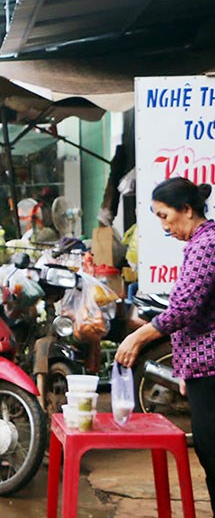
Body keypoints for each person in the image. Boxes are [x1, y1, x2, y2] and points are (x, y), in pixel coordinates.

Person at [116, 177, 215, 513]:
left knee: (213, 454)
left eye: (164, 216)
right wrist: (186, 368)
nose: (164, 226)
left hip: (212, 370)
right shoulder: (200, 243)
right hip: (203, 369)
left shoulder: (206, 244)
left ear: (186, 209)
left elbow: (185, 308)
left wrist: (137, 337)